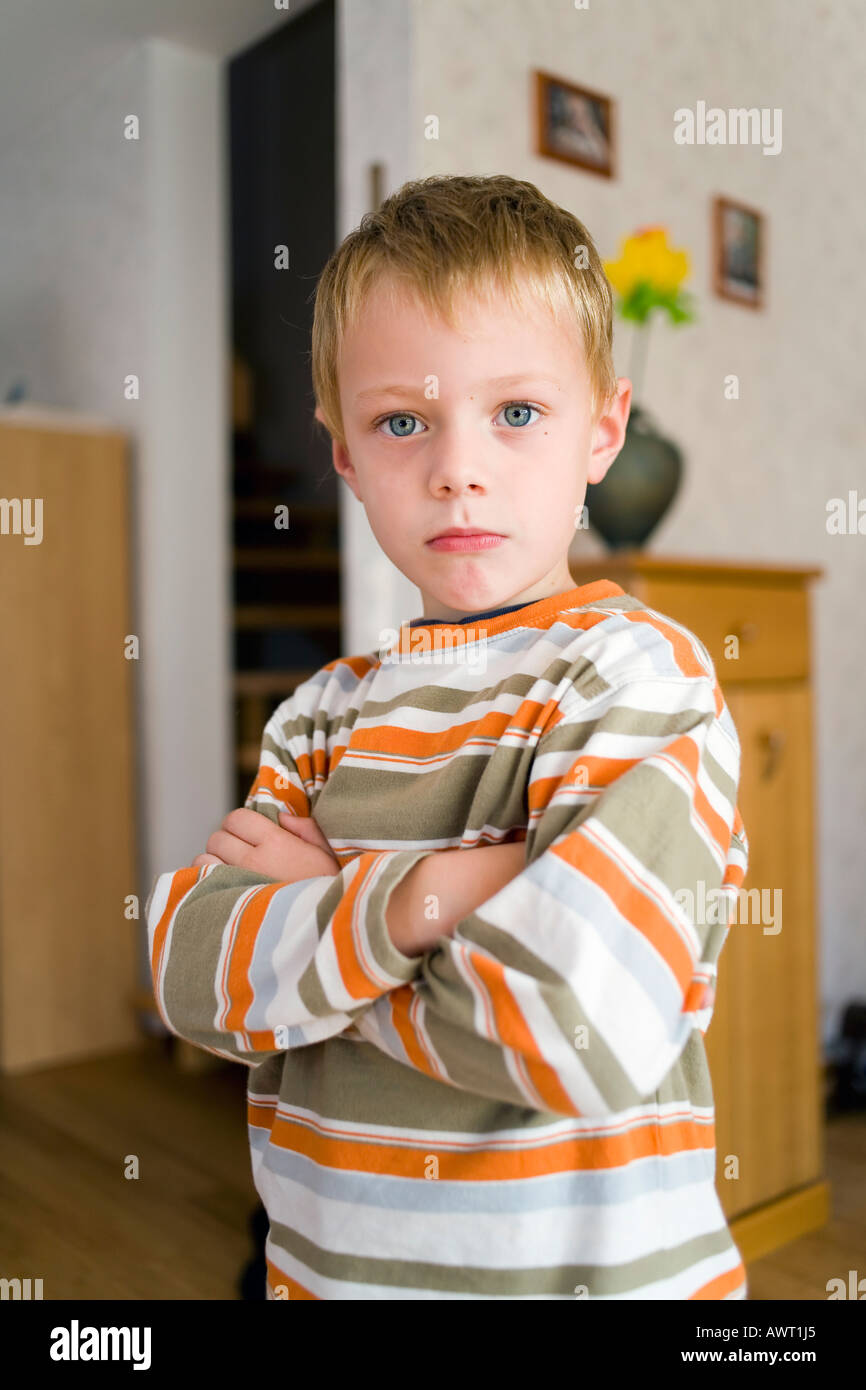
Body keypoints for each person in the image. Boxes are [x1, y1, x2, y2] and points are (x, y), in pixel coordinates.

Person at [146, 174, 749, 1300]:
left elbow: (577, 1029)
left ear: (600, 432)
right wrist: (436, 900)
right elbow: (195, 980)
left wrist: (324, 921)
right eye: (401, 421)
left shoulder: (634, 675)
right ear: (342, 454)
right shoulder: (318, 714)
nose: (456, 466)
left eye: (515, 413)